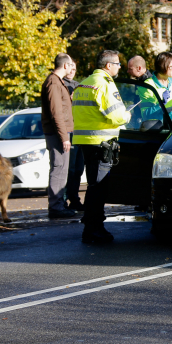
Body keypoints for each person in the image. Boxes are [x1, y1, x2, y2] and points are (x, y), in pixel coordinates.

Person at [72, 50, 131, 244]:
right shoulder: (104, 84)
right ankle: (94, 229)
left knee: (93, 186)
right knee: (98, 188)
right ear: (108, 65)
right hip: (101, 143)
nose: (119, 67)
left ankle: (91, 226)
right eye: (118, 64)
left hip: (85, 141)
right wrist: (128, 115)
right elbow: (115, 115)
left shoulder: (84, 83)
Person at [41, 53, 77, 219]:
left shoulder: (56, 82)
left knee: (61, 169)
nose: (71, 69)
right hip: (58, 134)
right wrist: (64, 137)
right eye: (70, 66)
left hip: (60, 133)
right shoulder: (54, 83)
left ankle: (59, 205)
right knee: (59, 169)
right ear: (64, 66)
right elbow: (56, 112)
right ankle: (56, 206)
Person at [63, 61, 85, 211]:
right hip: (68, 132)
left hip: (80, 131)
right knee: (69, 169)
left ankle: (75, 199)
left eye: (75, 69)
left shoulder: (78, 85)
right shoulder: (61, 84)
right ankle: (64, 200)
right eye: (70, 68)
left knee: (78, 169)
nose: (72, 71)